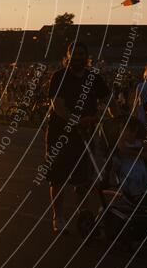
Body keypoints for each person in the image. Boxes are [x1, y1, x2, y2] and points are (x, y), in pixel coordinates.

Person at [45, 42, 110, 233]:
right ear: (68, 56)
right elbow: (58, 106)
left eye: (81, 54)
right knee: (58, 179)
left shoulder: (94, 78)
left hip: (85, 135)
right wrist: (77, 120)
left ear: (87, 56)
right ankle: (58, 217)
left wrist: (121, 119)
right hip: (60, 134)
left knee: (83, 179)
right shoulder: (59, 77)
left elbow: (108, 100)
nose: (78, 58)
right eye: (74, 54)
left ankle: (84, 216)